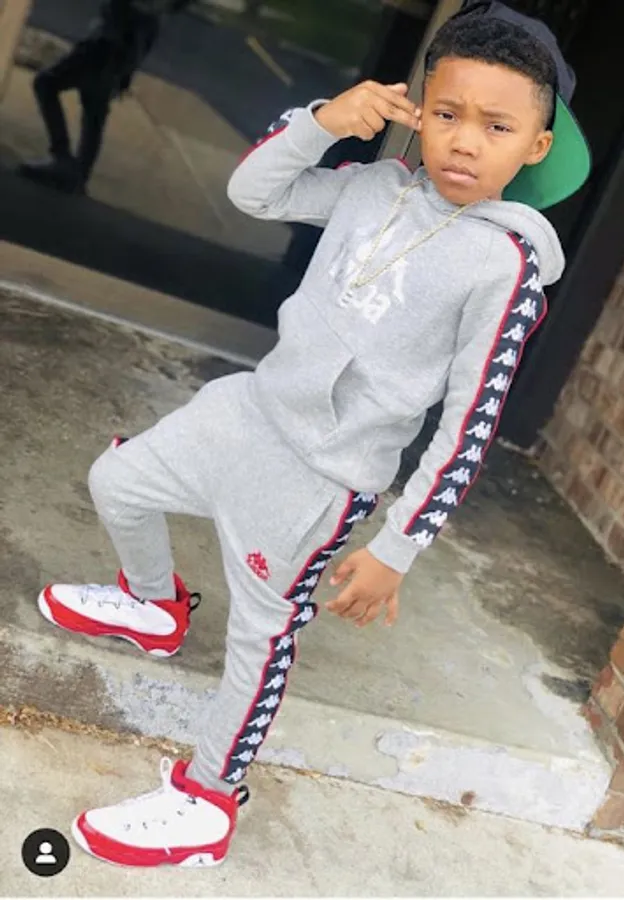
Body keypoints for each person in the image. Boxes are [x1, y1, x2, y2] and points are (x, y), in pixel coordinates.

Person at [38, 0, 590, 869]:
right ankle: (153, 605)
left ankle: (208, 801)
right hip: (248, 411)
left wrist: (397, 548)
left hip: (322, 476)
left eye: (496, 126)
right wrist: (324, 121)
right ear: (417, 110)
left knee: (260, 638)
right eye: (447, 114)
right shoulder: (374, 185)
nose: (463, 142)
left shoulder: (505, 263)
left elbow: (469, 423)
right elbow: (254, 192)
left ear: (536, 146)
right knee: (119, 482)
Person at [17, 0, 189, 194]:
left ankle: (62, 157)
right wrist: (125, 75)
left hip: (102, 49)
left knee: (46, 84)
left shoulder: (143, 13)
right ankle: (79, 174)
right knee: (94, 110)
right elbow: (143, 41)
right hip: (117, 58)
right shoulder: (155, 18)